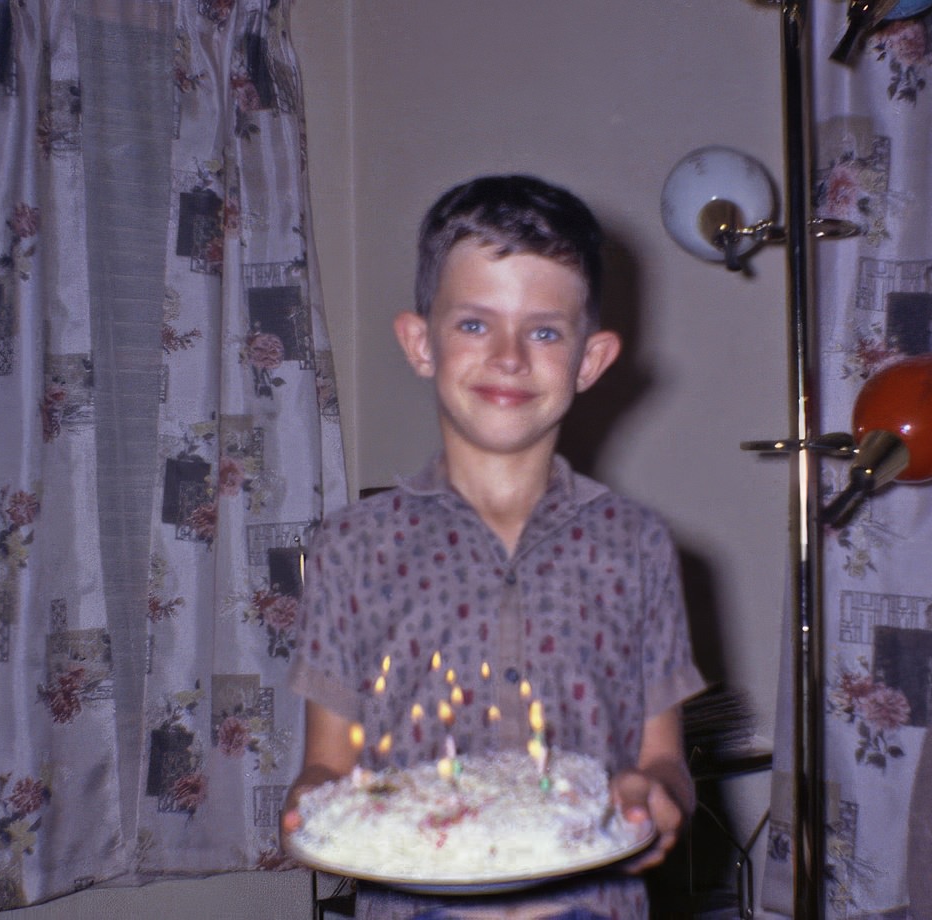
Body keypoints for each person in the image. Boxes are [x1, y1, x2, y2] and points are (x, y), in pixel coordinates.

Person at [284, 174, 706, 919]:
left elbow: (663, 756)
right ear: (420, 343)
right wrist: (314, 804)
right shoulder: (349, 547)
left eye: (544, 331)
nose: (510, 357)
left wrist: (660, 793)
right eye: (475, 324)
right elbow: (325, 763)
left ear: (590, 359)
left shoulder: (637, 545)